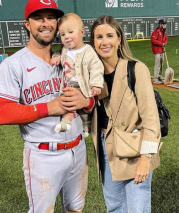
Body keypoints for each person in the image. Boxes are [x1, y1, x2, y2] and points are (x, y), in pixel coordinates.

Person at [0, 0, 94, 212]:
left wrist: (87, 102)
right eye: (38, 18)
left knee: (76, 208)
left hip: (78, 149)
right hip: (43, 155)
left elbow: (92, 95)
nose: (45, 23)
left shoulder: (69, 57)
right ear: (27, 25)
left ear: (57, 23)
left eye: (50, 18)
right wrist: (49, 107)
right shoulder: (13, 64)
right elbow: (1, 113)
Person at [90, 15, 161, 213]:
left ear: (119, 39)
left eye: (110, 35)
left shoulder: (136, 69)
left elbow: (151, 120)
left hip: (134, 150)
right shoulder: (91, 76)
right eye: (99, 37)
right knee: (114, 208)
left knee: (137, 209)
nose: (105, 42)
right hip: (106, 149)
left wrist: (145, 158)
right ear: (93, 42)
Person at [51, 13, 104, 136]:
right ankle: (75, 123)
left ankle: (79, 124)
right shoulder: (65, 50)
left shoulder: (88, 51)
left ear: (82, 32)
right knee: (72, 105)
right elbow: (58, 53)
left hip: (83, 85)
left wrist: (96, 84)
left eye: (70, 32)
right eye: (63, 34)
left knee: (82, 108)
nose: (66, 37)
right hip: (69, 84)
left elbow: (97, 67)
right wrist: (56, 57)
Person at [150, 19, 168, 84]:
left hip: (162, 51)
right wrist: (161, 44)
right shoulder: (156, 32)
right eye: (163, 24)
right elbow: (153, 40)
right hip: (157, 51)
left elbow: (166, 39)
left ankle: (159, 77)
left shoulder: (164, 32)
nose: (164, 25)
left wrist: (165, 43)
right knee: (157, 65)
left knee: (161, 65)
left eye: (164, 24)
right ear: (160, 24)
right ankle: (155, 79)